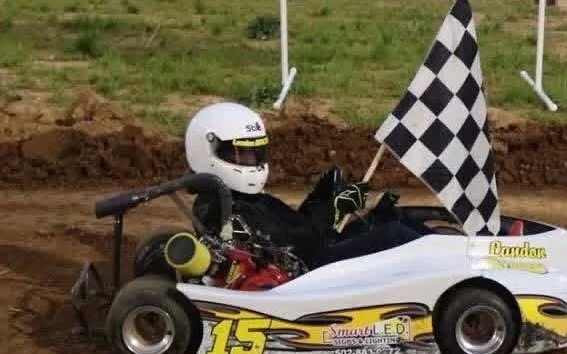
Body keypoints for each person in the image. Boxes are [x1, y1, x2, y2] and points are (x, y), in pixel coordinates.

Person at [183, 101, 430, 270]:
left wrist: (322, 199)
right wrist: (332, 210)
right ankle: (453, 281)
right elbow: (291, 249)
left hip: (313, 264)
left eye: (255, 153)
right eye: (242, 155)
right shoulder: (221, 209)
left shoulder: (244, 198)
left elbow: (295, 226)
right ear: (207, 150)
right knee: (393, 235)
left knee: (392, 219)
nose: (252, 163)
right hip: (305, 282)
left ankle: (458, 262)